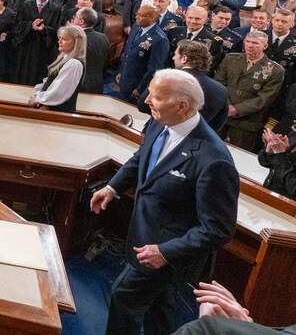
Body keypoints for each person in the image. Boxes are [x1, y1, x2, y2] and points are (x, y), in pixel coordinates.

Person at [90, 69, 239, 335]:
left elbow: (218, 229)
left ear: (182, 106)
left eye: (156, 97)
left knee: (123, 297)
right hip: (142, 237)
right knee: (160, 306)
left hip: (167, 252)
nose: (147, 100)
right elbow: (141, 158)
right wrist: (112, 188)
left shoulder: (214, 159)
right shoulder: (161, 122)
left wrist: (165, 252)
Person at [215, 31, 284, 152]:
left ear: (265, 46)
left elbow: (265, 98)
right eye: (247, 42)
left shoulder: (275, 70)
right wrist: (226, 106)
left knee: (240, 158)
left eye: (255, 43)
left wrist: (237, 109)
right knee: (211, 150)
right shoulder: (230, 58)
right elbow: (218, 83)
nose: (250, 45)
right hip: (222, 114)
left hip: (247, 122)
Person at [11, 0, 62, 85]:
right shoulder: (25, 5)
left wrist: (44, 29)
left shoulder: (55, 9)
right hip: (26, 47)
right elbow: (17, 25)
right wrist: (30, 26)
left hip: (43, 49)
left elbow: (57, 29)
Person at [116, 5, 170, 102]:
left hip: (137, 85)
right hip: (125, 78)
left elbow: (154, 68)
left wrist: (141, 88)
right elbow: (127, 51)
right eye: (137, 14)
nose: (136, 17)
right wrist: (121, 71)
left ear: (152, 18)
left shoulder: (160, 39)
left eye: (141, 15)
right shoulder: (136, 27)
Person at [30, 25, 86, 112]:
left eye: (64, 39)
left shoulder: (74, 64)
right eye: (59, 38)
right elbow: (52, 82)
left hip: (58, 111)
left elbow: (59, 91)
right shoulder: (65, 58)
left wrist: (39, 99)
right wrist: (38, 93)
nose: (59, 41)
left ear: (76, 42)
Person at [258, 84, 296, 200]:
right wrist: (270, 151)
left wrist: (279, 154)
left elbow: (294, 190)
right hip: (271, 196)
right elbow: (264, 161)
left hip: (288, 210)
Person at [72, 7, 108, 93]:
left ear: (81, 22)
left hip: (78, 84)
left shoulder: (76, 38)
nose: (73, 19)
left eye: (75, 17)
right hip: (98, 82)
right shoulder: (103, 37)